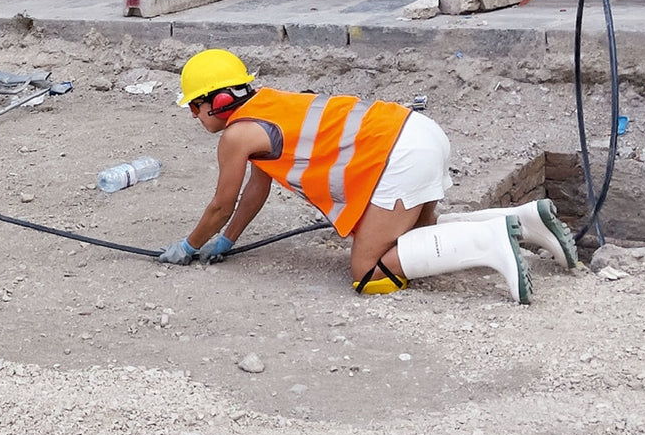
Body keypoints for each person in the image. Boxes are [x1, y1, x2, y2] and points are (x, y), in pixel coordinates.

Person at [157, 49, 578, 303]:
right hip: (417, 133)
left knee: (369, 273)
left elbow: (221, 204)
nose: (194, 115)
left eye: (194, 106)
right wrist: (229, 241)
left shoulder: (236, 135)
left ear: (219, 101)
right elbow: (254, 191)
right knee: (413, 240)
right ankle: (522, 221)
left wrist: (188, 246)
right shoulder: (268, 105)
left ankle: (490, 242)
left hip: (400, 155)